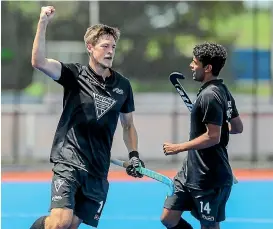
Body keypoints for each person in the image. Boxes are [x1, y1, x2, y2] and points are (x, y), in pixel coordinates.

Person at [29, 6, 144, 229]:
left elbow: (128, 125)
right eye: (105, 46)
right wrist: (43, 22)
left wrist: (134, 155)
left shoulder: (123, 86)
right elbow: (39, 62)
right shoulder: (74, 75)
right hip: (69, 160)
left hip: (98, 168)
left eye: (113, 46)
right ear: (90, 48)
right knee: (59, 223)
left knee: (70, 225)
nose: (110, 51)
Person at [161, 42, 244, 229]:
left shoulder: (210, 96)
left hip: (209, 175)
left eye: (195, 62)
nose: (191, 65)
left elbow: (213, 137)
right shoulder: (223, 91)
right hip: (190, 171)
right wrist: (218, 127)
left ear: (207, 68)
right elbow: (237, 127)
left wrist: (178, 147)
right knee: (168, 218)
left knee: (209, 225)